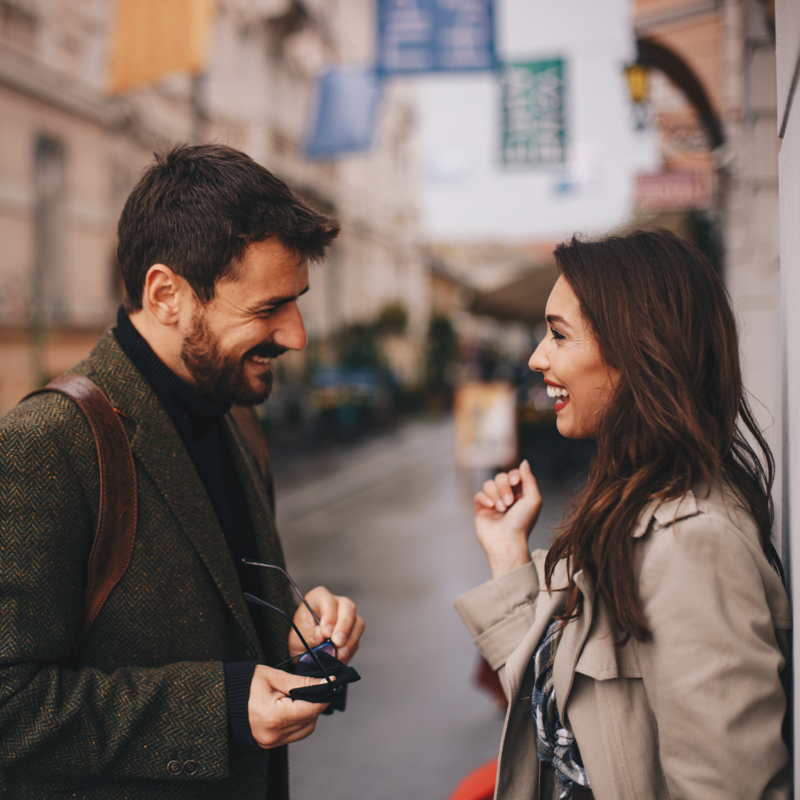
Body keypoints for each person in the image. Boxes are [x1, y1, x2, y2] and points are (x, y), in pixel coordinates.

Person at [0, 144, 364, 799]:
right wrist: (219, 708)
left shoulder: (236, 417)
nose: (297, 335)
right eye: (266, 308)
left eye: (298, 302)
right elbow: (10, 708)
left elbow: (219, 610)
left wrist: (295, 629)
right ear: (166, 294)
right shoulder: (47, 443)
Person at [454, 229, 791, 800]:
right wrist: (510, 553)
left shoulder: (689, 542)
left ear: (638, 349)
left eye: (558, 335)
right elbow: (563, 710)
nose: (537, 357)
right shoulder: (631, 507)